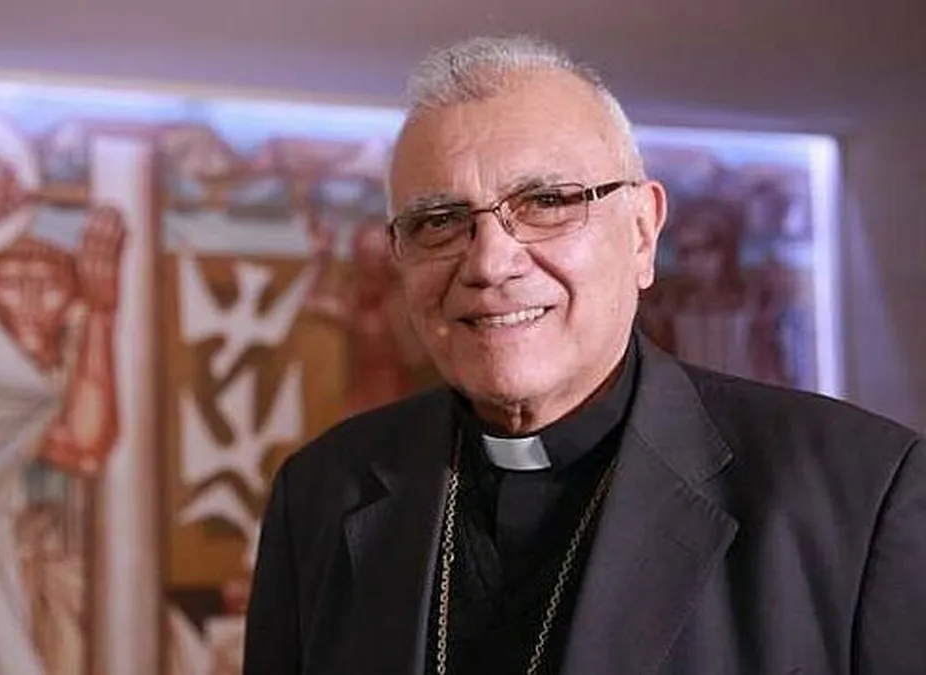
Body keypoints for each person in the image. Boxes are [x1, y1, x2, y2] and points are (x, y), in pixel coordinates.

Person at [242, 35, 926, 675]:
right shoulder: (321, 493)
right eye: (440, 221)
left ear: (642, 233)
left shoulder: (860, 495)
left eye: (545, 202)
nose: (490, 263)